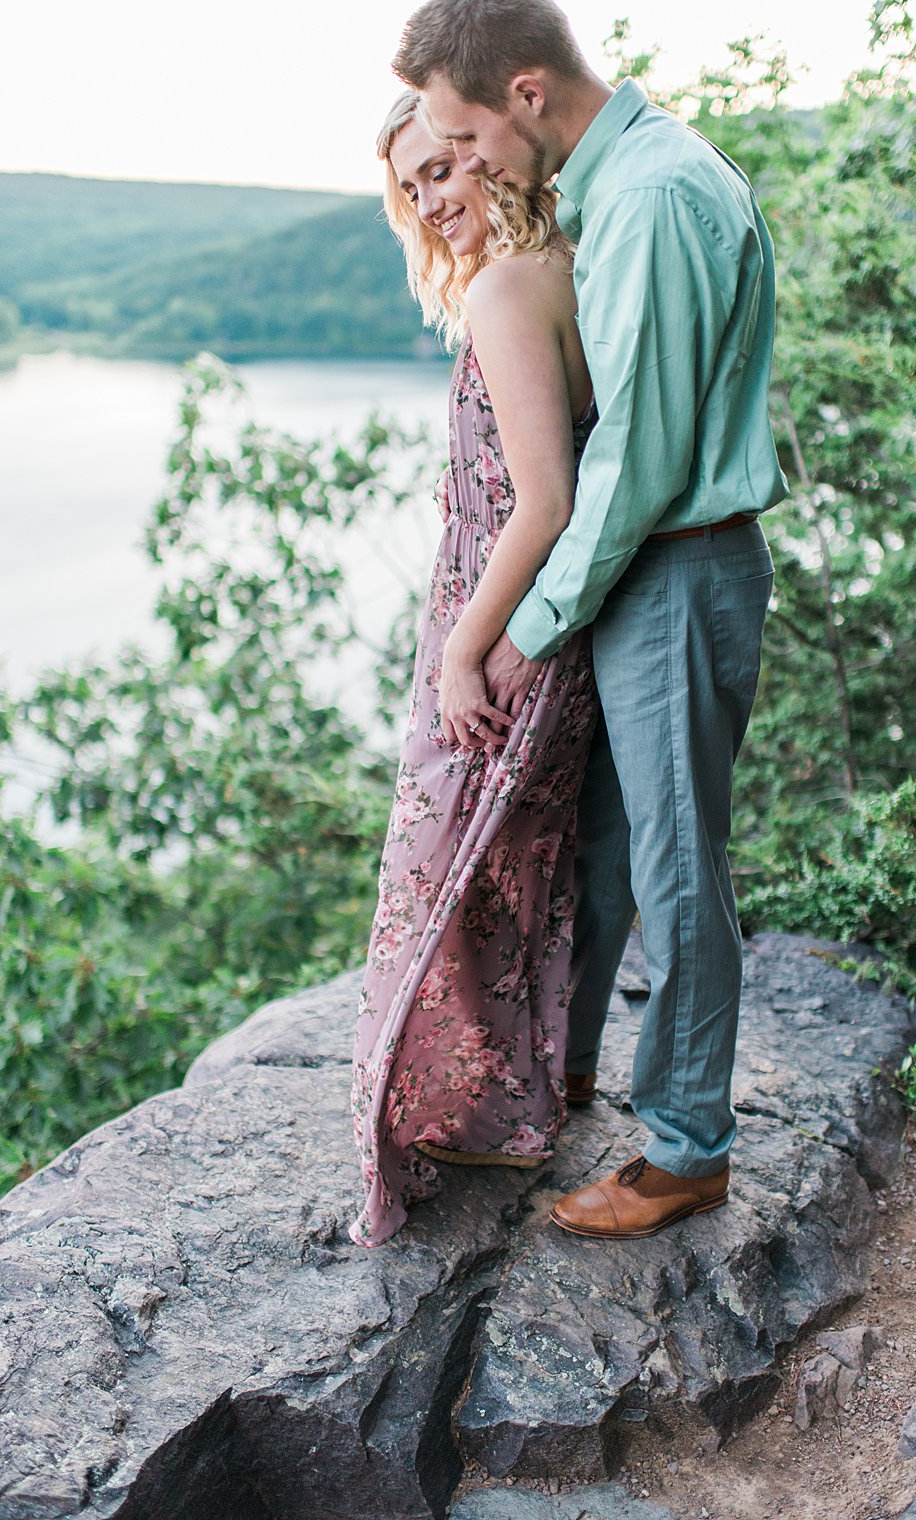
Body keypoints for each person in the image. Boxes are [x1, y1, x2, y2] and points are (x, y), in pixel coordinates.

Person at [393, 0, 791, 1240]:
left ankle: (684, 1150)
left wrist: (522, 628)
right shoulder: (616, 189)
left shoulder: (657, 194)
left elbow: (641, 461)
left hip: (676, 565)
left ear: (527, 91)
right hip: (644, 573)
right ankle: (560, 1071)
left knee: (676, 869)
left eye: (462, 139)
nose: (459, 162)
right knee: (612, 849)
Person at [348, 92, 600, 1248]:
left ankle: (430, 1121)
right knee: (506, 871)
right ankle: (503, 1109)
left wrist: (460, 650)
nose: (432, 201)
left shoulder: (507, 288)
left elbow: (540, 499)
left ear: (488, 153)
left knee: (441, 866)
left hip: (499, 632)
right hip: (531, 623)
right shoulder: (560, 266)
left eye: (444, 169)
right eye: (412, 186)